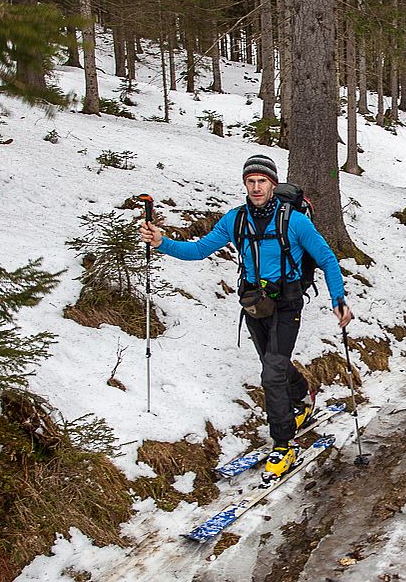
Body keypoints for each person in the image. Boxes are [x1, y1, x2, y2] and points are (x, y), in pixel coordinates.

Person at [138, 154, 353, 479]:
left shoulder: (295, 221)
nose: (256, 187)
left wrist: (339, 300)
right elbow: (198, 250)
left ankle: (283, 445)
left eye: (262, 181)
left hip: (287, 304)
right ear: (245, 184)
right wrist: (161, 242)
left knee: (271, 371)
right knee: (274, 364)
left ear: (272, 183)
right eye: (250, 181)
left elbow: (327, 259)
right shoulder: (235, 220)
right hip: (254, 305)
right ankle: (303, 398)